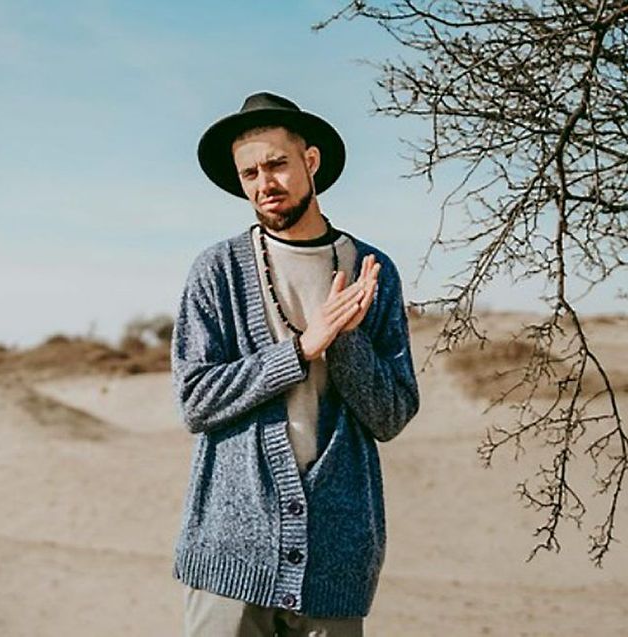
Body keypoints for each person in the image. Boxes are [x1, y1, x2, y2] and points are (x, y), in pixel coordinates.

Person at [170, 91, 421, 637]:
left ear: (311, 161)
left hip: (336, 560)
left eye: (277, 164)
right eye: (250, 173)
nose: (265, 184)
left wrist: (347, 342)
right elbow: (194, 399)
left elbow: (392, 415)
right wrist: (302, 349)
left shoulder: (373, 272)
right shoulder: (217, 270)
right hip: (230, 558)